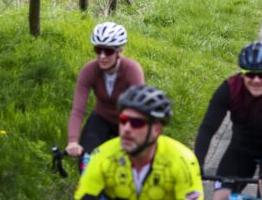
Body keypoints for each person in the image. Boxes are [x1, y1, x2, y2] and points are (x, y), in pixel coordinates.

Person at [195, 43, 262, 200]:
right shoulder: (229, 88)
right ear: (242, 73)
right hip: (241, 148)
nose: (256, 80)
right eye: (249, 74)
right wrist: (198, 163)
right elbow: (207, 128)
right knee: (221, 196)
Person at [74, 85, 203, 200]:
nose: (127, 128)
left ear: (157, 129)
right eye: (123, 120)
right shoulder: (102, 156)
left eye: (137, 123)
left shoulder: (182, 159)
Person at [68, 22, 145, 162]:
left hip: (128, 120)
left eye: (108, 51)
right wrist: (73, 141)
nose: (102, 56)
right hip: (101, 118)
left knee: (128, 163)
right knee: (86, 160)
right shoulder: (89, 70)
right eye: (98, 50)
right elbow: (78, 110)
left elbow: (139, 106)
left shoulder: (132, 70)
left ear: (119, 52)